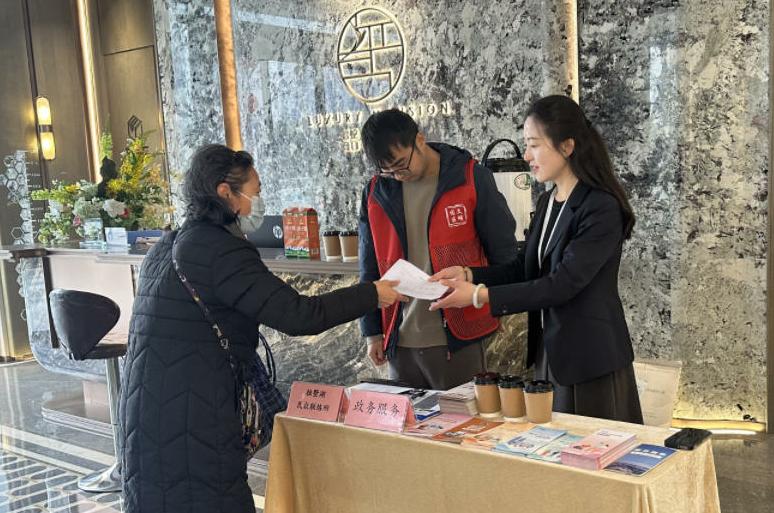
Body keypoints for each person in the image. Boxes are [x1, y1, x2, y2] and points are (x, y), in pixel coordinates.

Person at [119, 144, 402, 513]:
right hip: (194, 416)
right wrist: (373, 294)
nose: (259, 202)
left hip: (148, 411)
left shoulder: (167, 245)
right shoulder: (220, 251)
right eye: (255, 192)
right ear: (225, 193)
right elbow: (300, 315)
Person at [429, 95, 643, 423]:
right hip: (550, 352)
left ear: (567, 146)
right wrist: (469, 275)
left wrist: (478, 296)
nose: (527, 156)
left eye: (534, 145)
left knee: (591, 448)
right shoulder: (547, 201)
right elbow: (525, 269)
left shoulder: (600, 207)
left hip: (590, 358)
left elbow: (561, 285)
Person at [359, 109, 517, 390]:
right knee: (408, 418)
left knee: (464, 417)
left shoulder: (469, 177)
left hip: (459, 336)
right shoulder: (376, 192)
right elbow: (369, 266)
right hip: (399, 337)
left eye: (401, 165)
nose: (398, 176)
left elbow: (504, 253)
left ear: (419, 139)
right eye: (387, 171)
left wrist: (498, 302)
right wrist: (372, 333)